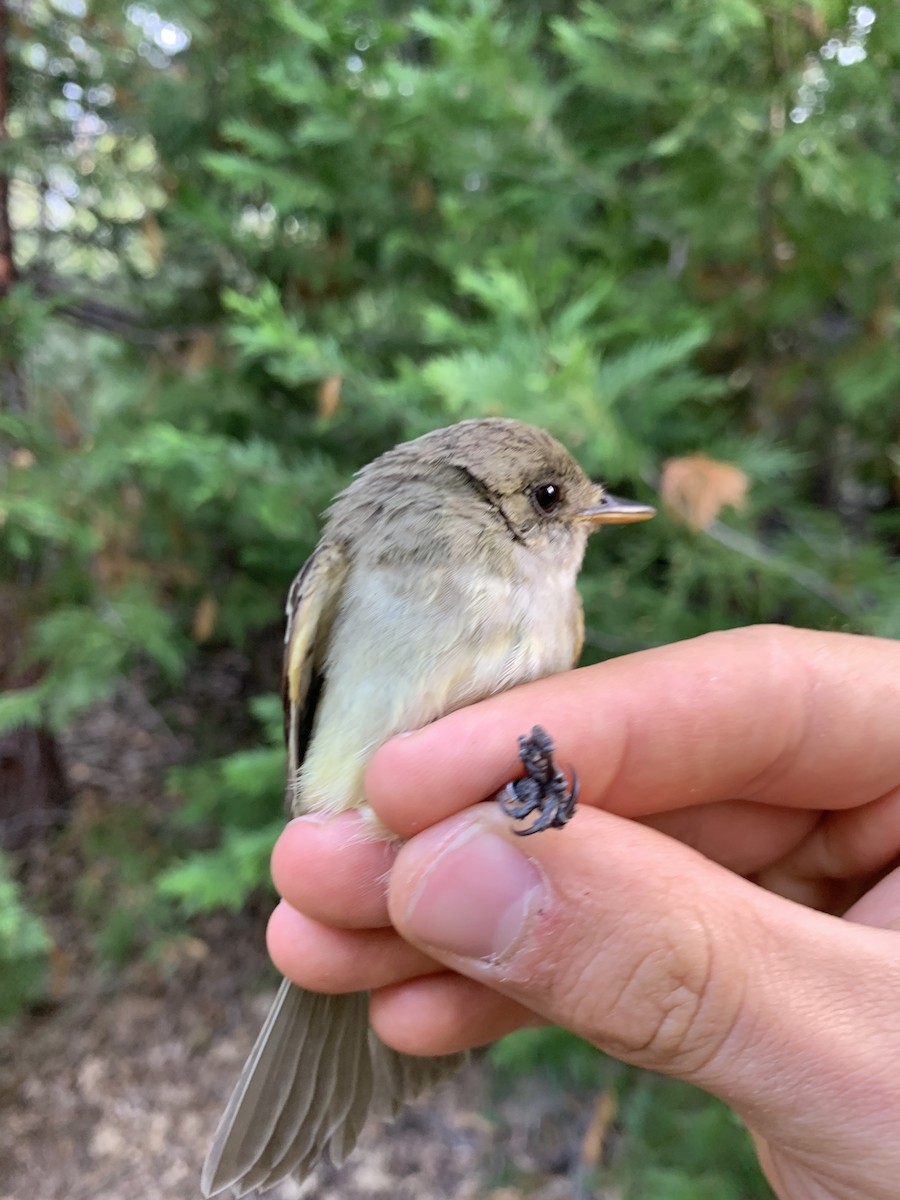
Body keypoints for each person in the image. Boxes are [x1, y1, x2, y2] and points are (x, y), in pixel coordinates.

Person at [266, 624, 900, 1200]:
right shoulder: (357, 559)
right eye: (548, 493)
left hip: (448, 835)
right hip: (378, 839)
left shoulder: (554, 606)